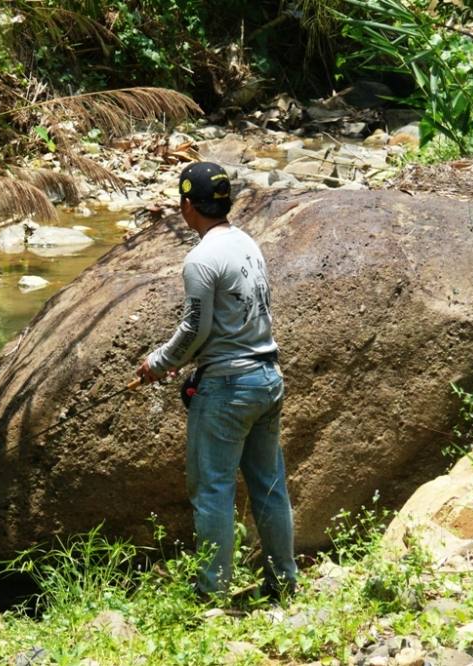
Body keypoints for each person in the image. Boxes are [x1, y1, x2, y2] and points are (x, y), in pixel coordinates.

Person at [135, 161, 296, 601]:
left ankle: (211, 594)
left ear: (187, 205)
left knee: (212, 492)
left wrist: (158, 363)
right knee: (268, 486)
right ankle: (284, 582)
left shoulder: (201, 259)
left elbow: (194, 329)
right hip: (267, 377)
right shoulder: (247, 243)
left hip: (228, 389)